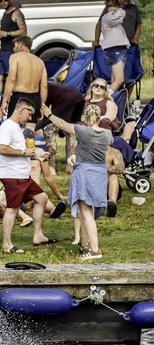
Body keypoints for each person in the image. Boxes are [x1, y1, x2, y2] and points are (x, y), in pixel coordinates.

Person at [44, 103, 111, 260]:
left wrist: (49, 115)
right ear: (99, 118)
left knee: (86, 213)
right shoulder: (107, 134)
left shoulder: (83, 131)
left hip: (85, 174)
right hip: (100, 174)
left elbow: (62, 124)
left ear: (86, 118)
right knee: (89, 213)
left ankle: (94, 250)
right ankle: (85, 245)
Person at [0, 98, 54, 255]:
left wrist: (37, 156)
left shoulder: (16, 128)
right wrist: (24, 152)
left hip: (23, 175)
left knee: (41, 199)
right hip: (13, 176)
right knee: (12, 209)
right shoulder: (7, 127)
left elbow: (20, 152)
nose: (30, 118)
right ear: (21, 110)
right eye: (29, 113)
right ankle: (6, 244)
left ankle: (38, 235)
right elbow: (2, 148)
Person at [0, 0, 27, 112]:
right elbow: (1, 33)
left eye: (6, 0)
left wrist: (8, 33)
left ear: (11, 0)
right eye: (1, 1)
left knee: (11, 79)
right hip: (3, 50)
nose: (3, 2)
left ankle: (11, 106)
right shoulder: (5, 14)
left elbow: (23, 31)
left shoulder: (17, 13)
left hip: (12, 51)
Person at [1, 35, 47, 120]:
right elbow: (44, 87)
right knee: (30, 129)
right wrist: (41, 106)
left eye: (14, 46)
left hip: (19, 98)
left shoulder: (15, 57)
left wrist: (4, 101)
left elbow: (11, 79)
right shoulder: (40, 62)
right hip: (35, 99)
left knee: (13, 127)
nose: (13, 49)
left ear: (20, 45)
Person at [97, 0, 129, 92]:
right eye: (118, 6)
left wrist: (116, 11)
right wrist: (117, 10)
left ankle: (112, 102)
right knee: (119, 80)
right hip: (115, 50)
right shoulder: (108, 16)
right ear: (115, 5)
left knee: (115, 80)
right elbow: (121, 14)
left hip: (117, 49)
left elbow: (120, 17)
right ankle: (105, 98)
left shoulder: (110, 16)